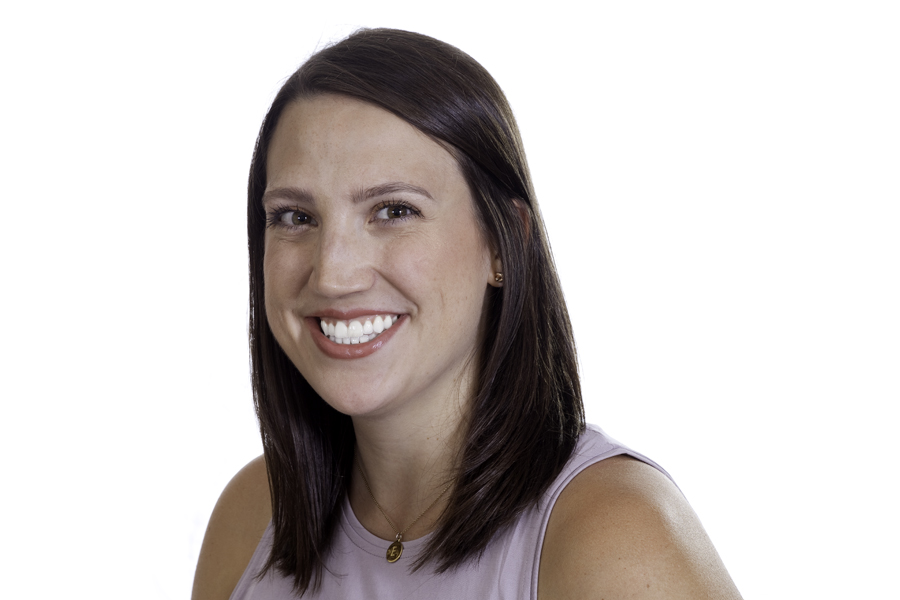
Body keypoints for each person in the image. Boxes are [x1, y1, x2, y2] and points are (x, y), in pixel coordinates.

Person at [192, 28, 742, 600]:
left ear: (503, 245)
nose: (333, 273)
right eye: (295, 217)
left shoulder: (613, 537)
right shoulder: (253, 514)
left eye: (394, 210)